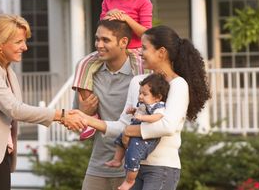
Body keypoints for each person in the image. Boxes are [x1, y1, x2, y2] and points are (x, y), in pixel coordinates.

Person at [0, 14, 86, 190]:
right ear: (0, 42)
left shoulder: (7, 71)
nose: (25, 47)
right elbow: (14, 109)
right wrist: (61, 115)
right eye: (19, 41)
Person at [75, 25, 211, 190]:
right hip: (135, 168)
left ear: (161, 52)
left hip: (162, 169)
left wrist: (130, 131)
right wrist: (86, 119)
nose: (139, 52)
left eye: (144, 48)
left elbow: (168, 126)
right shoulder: (138, 82)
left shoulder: (178, 84)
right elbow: (124, 125)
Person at [73, 0, 152, 140]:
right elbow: (103, 26)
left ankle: (141, 116)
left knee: (143, 76)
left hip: (135, 49)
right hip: (112, 48)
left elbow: (147, 33)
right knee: (83, 63)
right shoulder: (109, 0)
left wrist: (126, 18)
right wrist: (109, 15)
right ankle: (90, 115)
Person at [72, 19, 146, 190]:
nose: (99, 45)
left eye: (105, 40)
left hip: (135, 166)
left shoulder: (140, 76)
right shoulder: (89, 75)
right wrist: (83, 112)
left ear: (123, 42)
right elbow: (76, 121)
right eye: (97, 39)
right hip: (99, 165)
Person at [105, 73, 170, 190]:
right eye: (140, 93)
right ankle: (117, 159)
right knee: (119, 140)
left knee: (133, 156)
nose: (140, 96)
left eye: (144, 94)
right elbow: (138, 112)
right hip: (135, 132)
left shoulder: (158, 106)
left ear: (158, 97)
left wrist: (143, 118)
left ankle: (129, 181)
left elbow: (157, 117)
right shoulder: (143, 104)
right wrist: (133, 111)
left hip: (145, 138)